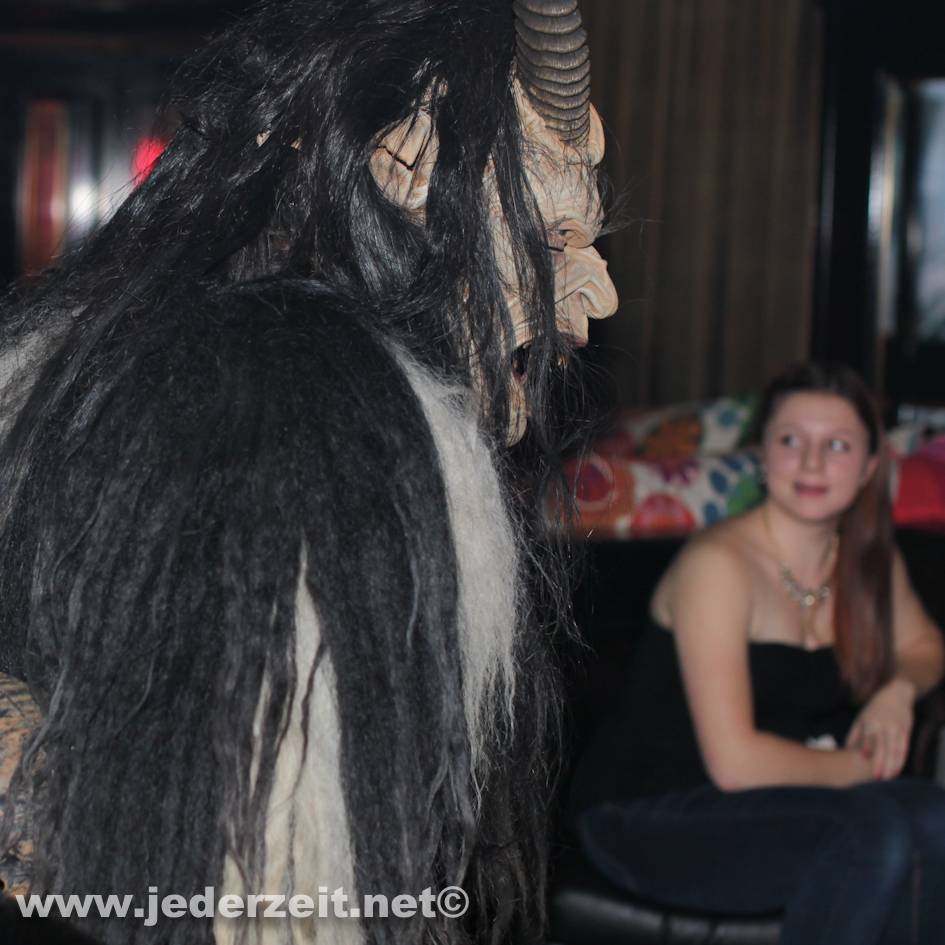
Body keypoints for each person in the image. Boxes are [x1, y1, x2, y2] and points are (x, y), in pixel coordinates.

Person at [0, 2, 618, 944]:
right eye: (555, 237)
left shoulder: (79, 342)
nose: (594, 296)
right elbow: (291, 886)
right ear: (407, 171)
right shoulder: (332, 408)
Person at [571, 362, 945, 945]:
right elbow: (735, 763)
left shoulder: (867, 561)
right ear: (762, 455)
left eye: (837, 445)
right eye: (792, 440)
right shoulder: (718, 566)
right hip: (649, 811)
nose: (812, 464)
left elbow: (925, 647)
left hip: (775, 802)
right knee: (871, 836)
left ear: (870, 466)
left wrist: (897, 692)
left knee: (934, 816)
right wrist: (863, 766)